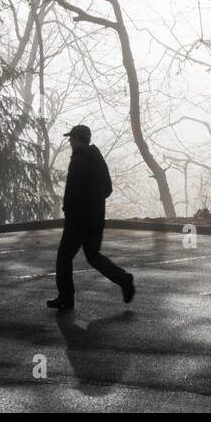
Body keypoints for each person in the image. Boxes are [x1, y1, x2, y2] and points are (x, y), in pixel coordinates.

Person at [47, 124, 135, 310]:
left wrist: (69, 211)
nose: (70, 141)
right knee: (93, 256)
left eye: (71, 138)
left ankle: (66, 297)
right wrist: (93, 202)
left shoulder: (78, 161)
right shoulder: (97, 159)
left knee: (64, 258)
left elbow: (73, 192)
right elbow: (107, 189)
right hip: (96, 218)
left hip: (78, 220)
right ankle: (123, 279)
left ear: (78, 140)